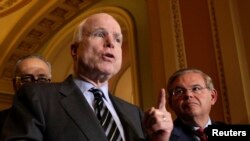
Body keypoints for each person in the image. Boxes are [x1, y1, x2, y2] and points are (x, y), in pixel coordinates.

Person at [1, 13, 172, 141]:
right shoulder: (37, 97)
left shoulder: (135, 113)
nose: (111, 43)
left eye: (118, 39)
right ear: (74, 50)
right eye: (99, 34)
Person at [0, 55, 52, 134]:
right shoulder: (1, 121)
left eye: (42, 79)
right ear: (15, 84)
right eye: (27, 79)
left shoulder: (64, 120)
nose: (35, 85)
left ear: (50, 83)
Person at [166, 68, 218, 141]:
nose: (188, 94)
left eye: (196, 89)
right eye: (179, 91)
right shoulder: (163, 137)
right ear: (170, 103)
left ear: (212, 97)